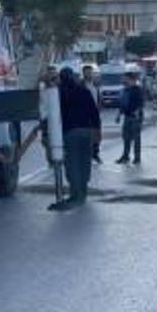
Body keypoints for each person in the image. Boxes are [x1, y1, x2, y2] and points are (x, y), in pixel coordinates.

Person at [57, 66, 102, 207]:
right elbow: (94, 113)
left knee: (72, 164)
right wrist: (97, 131)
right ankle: (83, 193)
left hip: (70, 133)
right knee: (84, 162)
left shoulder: (60, 93)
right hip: (86, 131)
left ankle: (75, 195)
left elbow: (54, 116)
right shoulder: (84, 91)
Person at [115, 71, 145, 165]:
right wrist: (119, 115)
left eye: (124, 78)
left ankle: (137, 158)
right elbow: (122, 103)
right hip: (127, 116)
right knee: (126, 137)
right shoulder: (125, 90)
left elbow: (141, 103)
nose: (122, 80)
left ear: (129, 79)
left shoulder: (137, 89)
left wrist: (137, 111)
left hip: (135, 117)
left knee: (136, 138)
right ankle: (125, 156)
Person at [81, 64, 104, 165]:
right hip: (85, 114)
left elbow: (98, 97)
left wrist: (99, 106)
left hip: (95, 113)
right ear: (83, 73)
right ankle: (86, 154)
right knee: (86, 134)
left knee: (97, 134)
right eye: (87, 72)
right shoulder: (80, 85)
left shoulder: (95, 84)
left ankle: (95, 153)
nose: (89, 74)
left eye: (90, 72)